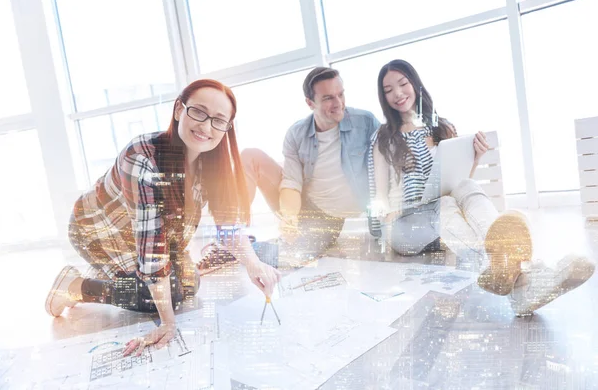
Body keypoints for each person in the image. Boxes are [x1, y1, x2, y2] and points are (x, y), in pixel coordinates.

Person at [45, 79, 281, 355]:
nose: (206, 127)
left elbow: (227, 225)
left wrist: (253, 264)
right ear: (179, 110)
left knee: (189, 285)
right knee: (157, 294)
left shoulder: (214, 163)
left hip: (150, 236)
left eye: (218, 120)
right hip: (99, 231)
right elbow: (152, 253)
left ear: (227, 128)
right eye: (199, 112)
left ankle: (118, 275)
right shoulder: (143, 157)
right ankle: (74, 286)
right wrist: (168, 323)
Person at [369, 59, 595, 315]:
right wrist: (387, 213)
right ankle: (532, 273)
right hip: (404, 226)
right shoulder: (384, 136)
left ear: (415, 84)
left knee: (465, 186)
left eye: (402, 84)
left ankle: (520, 285)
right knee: (445, 204)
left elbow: (455, 182)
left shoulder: (442, 127)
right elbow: (378, 197)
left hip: (442, 214)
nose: (397, 94)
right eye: (388, 90)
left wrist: (474, 159)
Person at [241, 67, 380, 265]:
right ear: (310, 103)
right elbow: (291, 182)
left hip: (334, 215)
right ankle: (238, 241)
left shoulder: (365, 122)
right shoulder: (296, 134)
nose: (338, 103)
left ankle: (255, 246)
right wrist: (289, 218)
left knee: (290, 255)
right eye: (328, 98)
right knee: (250, 155)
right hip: (310, 207)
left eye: (341, 94)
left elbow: (389, 158)